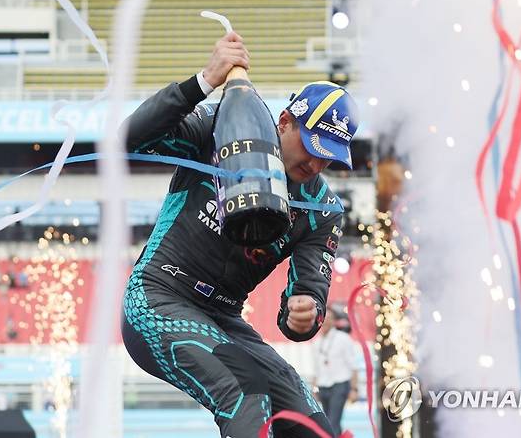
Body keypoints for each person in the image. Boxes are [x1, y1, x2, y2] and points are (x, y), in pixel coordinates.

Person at [120, 31, 358, 438]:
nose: (317, 165)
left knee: (311, 423)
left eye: (330, 157)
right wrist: (202, 82)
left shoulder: (323, 210)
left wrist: (305, 311)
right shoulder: (223, 128)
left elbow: (302, 306)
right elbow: (128, 138)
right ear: (285, 121)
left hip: (224, 317)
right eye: (313, 146)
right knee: (246, 392)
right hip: (157, 297)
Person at [311, 302, 360, 436]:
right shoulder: (317, 342)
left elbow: (353, 366)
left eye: (329, 318)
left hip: (339, 385)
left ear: (333, 321)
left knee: (333, 422)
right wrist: (314, 389)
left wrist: (354, 389)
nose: (325, 322)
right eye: (323, 318)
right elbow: (316, 369)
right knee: (327, 422)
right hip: (323, 385)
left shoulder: (343, 339)